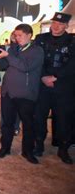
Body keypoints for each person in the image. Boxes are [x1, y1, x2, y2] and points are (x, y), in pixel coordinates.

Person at [0, 24, 44, 164]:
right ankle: (5, 147)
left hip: (26, 94)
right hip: (8, 92)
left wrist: (8, 56)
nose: (17, 38)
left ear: (29, 35)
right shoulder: (13, 48)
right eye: (15, 35)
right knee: (7, 123)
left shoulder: (37, 51)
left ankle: (28, 151)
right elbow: (3, 66)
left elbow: (25, 67)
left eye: (20, 35)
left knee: (28, 124)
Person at [34, 12, 75, 164]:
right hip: (43, 85)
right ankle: (38, 145)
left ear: (66, 26)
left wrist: (55, 77)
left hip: (63, 87)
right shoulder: (40, 39)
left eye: (60, 24)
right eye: (54, 23)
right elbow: (36, 60)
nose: (56, 26)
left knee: (64, 119)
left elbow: (72, 64)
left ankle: (63, 149)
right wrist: (44, 77)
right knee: (39, 117)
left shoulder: (72, 41)